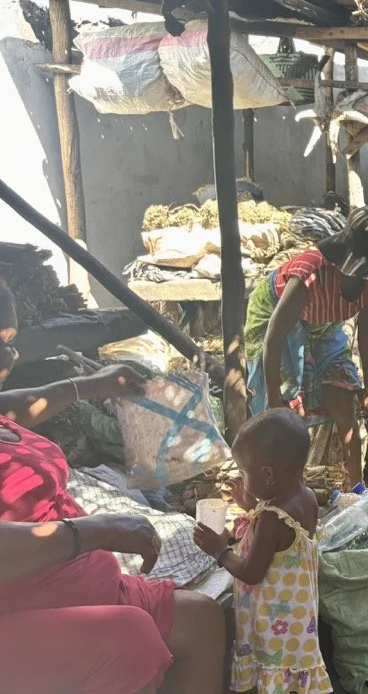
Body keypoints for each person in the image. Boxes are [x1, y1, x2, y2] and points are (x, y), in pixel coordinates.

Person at [0, 282, 226, 693]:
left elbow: (24, 401)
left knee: (202, 621)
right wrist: (97, 531)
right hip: (18, 611)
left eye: (10, 343)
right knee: (132, 638)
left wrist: (92, 385)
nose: (6, 358)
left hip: (81, 584)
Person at [245, 206, 368, 487]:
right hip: (276, 319)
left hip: (323, 325)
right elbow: (274, 337)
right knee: (290, 413)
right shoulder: (309, 276)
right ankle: (288, 491)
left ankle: (356, 490)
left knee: (345, 397)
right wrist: (275, 400)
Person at [194, 409, 331, 694]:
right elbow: (285, 544)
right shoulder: (305, 498)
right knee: (290, 675)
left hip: (273, 621)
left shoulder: (272, 517)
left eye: (244, 472)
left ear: (267, 474)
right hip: (297, 621)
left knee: (275, 674)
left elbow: (252, 572)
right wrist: (249, 506)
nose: (242, 477)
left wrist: (220, 550)